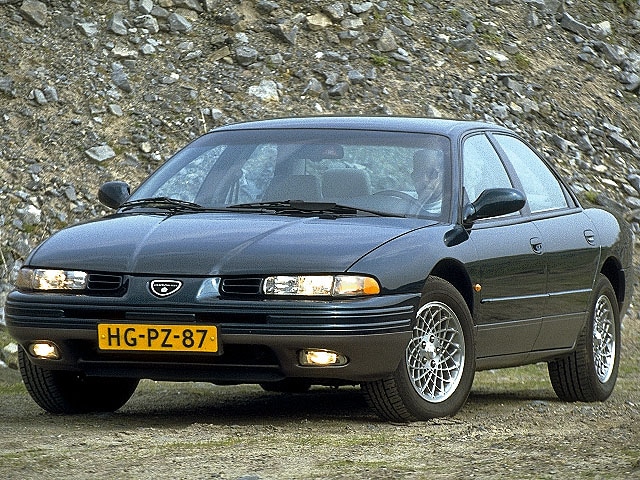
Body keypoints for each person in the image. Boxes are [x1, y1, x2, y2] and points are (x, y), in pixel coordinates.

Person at [411, 148, 444, 214]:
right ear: (413, 176)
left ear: (443, 176)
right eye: (418, 173)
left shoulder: (451, 211)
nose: (424, 179)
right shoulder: (403, 203)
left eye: (431, 173)